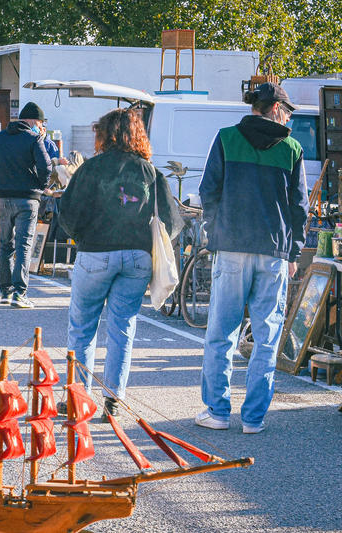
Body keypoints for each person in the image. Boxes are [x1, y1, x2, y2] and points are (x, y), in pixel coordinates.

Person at [196, 83, 308, 434]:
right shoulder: (292, 148)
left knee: (221, 333)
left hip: (230, 248)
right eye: (288, 110)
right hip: (273, 254)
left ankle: (216, 412)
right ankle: (253, 418)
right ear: (274, 108)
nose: (289, 117)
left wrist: (215, 232)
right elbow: (299, 208)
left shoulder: (227, 138)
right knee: (266, 336)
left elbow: (207, 191)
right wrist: (293, 252)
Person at [58, 107, 183, 420]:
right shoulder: (150, 172)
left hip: (95, 253)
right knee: (123, 326)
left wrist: (83, 237)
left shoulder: (91, 169)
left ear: (105, 134)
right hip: (138, 256)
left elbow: (68, 215)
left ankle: (77, 398)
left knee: (83, 327)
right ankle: (114, 398)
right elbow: (171, 220)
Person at [0, 101, 52, 308]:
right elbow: (45, 167)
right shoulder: (34, 138)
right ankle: (20, 293)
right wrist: (39, 185)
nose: (40, 126)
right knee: (23, 244)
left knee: (6, 244)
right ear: (32, 121)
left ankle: (5, 290)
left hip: (3, 197)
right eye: (39, 122)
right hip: (28, 199)